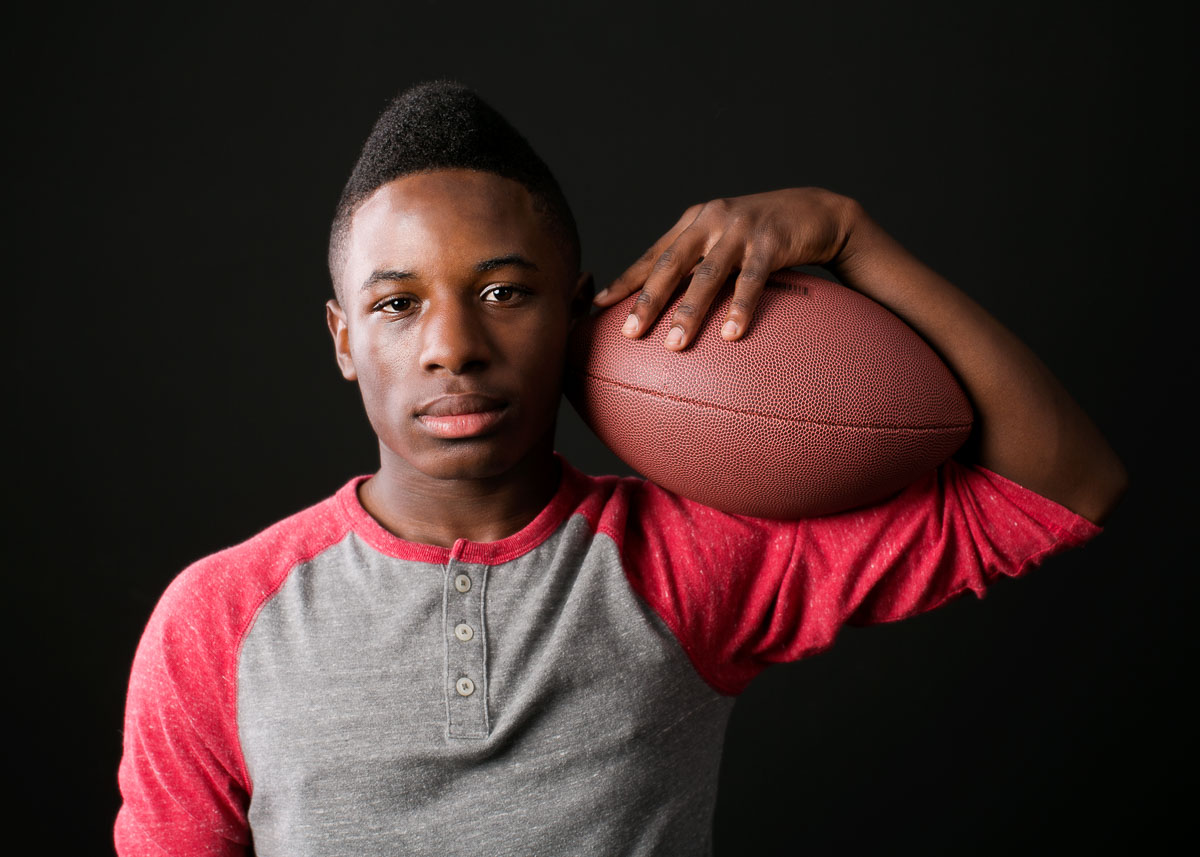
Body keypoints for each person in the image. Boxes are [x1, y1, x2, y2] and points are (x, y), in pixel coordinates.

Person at [114, 81, 1126, 856]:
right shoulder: (220, 617)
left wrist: (848, 231)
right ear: (342, 337)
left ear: (576, 310)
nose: (453, 345)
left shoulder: (685, 556)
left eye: (505, 291)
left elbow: (1064, 481)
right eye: (397, 303)